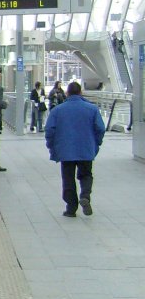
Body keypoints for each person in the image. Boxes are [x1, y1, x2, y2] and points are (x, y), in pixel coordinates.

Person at [44, 81, 105, 217]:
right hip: (86, 149)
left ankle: (71, 208)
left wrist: (52, 146)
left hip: (65, 150)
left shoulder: (57, 110)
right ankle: (85, 196)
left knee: (68, 178)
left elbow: (49, 130)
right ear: (80, 93)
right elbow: (100, 128)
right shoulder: (92, 109)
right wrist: (96, 144)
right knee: (86, 174)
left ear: (67, 93)